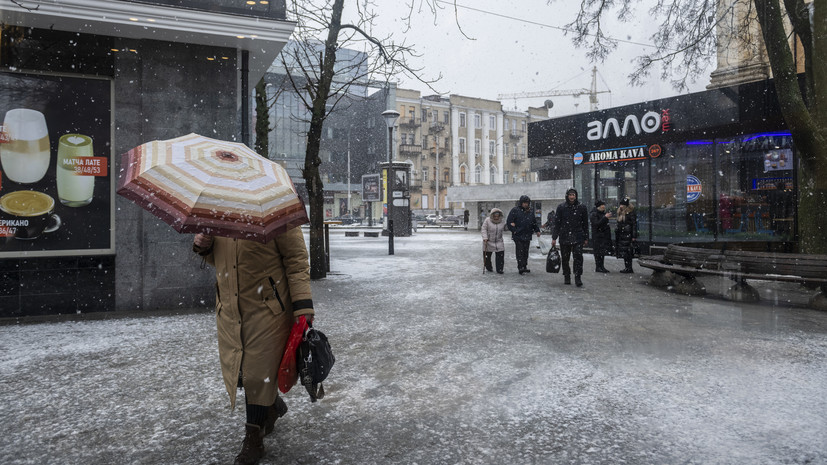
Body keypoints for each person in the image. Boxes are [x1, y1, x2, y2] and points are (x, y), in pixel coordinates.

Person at [193, 227, 315, 465]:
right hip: (230, 309)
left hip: (267, 309)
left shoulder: (277, 208)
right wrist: (204, 246)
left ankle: (253, 439)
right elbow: (217, 260)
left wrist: (303, 307)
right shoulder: (218, 212)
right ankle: (271, 406)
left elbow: (297, 260)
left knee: (257, 375)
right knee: (239, 370)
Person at [551, 188, 589, 286]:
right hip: (564, 236)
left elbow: (585, 224)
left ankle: (578, 277)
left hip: (578, 236)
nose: (572, 197)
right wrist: (554, 237)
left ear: (576, 196)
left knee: (578, 257)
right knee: (565, 258)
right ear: (567, 196)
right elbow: (557, 223)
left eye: (573, 195)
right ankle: (567, 276)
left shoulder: (582, 207)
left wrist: (586, 237)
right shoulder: (561, 207)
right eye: (570, 195)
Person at [506, 195, 541, 274]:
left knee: (525, 251)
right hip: (518, 235)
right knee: (520, 251)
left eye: (527, 203)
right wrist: (514, 230)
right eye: (524, 203)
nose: (526, 204)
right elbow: (509, 221)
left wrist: (537, 230)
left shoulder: (530, 211)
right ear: (521, 203)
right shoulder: (515, 210)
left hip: (527, 234)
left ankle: (524, 266)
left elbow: (534, 222)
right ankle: (520, 267)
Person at [615, 198, 638, 273]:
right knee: (625, 252)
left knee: (628, 251)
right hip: (623, 234)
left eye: (622, 205)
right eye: (620, 204)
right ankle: (627, 267)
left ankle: (629, 268)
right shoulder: (620, 212)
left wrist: (634, 236)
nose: (621, 206)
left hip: (628, 234)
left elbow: (634, 225)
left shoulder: (630, 213)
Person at [589, 200, 612, 273]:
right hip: (597, 236)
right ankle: (598, 267)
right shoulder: (594, 214)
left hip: (603, 236)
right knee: (598, 252)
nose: (604, 206)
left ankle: (601, 266)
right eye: (602, 205)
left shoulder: (602, 213)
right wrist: (605, 217)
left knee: (602, 252)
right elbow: (596, 224)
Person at [481, 208, 506, 274]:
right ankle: (488, 267)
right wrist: (485, 237)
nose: (496, 218)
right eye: (495, 216)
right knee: (487, 257)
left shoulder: (502, 221)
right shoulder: (487, 220)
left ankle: (500, 269)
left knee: (500, 255)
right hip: (488, 241)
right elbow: (484, 229)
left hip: (499, 241)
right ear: (492, 216)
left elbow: (506, 228)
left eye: (497, 216)